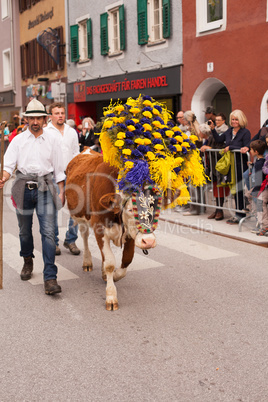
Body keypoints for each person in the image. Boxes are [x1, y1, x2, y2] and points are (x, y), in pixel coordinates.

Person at [0, 99, 65, 295]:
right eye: (31, 118)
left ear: (45, 119)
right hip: (23, 188)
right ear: (26, 119)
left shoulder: (53, 140)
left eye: (39, 118)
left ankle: (50, 277)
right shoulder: (18, 140)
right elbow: (9, 166)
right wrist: (3, 177)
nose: (35, 121)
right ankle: (27, 259)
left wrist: (61, 192)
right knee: (24, 231)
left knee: (48, 232)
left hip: (46, 188)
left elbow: (59, 169)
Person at [47, 102, 80, 256]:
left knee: (76, 209)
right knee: (53, 210)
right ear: (50, 115)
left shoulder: (72, 132)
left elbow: (76, 153)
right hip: (53, 176)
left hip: (72, 175)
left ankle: (71, 240)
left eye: (62, 113)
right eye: (56, 113)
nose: (60, 115)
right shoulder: (46, 132)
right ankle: (54, 242)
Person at [211, 109, 251, 224]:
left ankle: (240, 214)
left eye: (236, 119)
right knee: (234, 190)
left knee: (238, 190)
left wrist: (230, 147)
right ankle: (237, 214)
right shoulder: (229, 131)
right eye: (232, 119)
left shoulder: (245, 132)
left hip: (240, 165)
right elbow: (219, 139)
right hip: (230, 165)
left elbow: (244, 145)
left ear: (241, 120)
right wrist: (213, 129)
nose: (234, 121)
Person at [200, 123, 230, 221]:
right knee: (216, 189)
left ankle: (220, 211)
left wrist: (210, 149)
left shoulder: (214, 137)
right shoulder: (208, 139)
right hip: (213, 167)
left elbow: (220, 150)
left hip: (219, 166)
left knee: (220, 188)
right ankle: (217, 210)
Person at [182, 111, 205, 216]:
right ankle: (198, 208)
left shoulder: (193, 131)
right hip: (195, 159)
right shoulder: (196, 129)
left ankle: (195, 208)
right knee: (196, 184)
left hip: (193, 160)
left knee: (193, 184)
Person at [243, 140, 266, 233]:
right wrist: (252, 165)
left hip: (258, 189)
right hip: (257, 188)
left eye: (251, 150)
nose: (250, 152)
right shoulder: (260, 161)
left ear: (256, 152)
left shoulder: (260, 163)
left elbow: (259, 178)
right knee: (248, 197)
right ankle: (249, 208)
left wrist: (255, 191)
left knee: (259, 208)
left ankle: (261, 226)